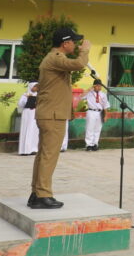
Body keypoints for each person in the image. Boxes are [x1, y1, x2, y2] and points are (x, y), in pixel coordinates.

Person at [29, 27, 90, 210]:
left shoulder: (54, 58)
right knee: (49, 156)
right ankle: (43, 194)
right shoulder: (56, 57)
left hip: (50, 114)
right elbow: (79, 64)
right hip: (52, 115)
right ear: (66, 43)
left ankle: (36, 193)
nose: (76, 44)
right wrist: (85, 50)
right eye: (74, 41)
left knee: (43, 155)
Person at [82, 79, 109, 151]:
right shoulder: (89, 93)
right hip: (91, 111)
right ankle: (88, 144)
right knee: (89, 128)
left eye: (100, 86)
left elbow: (105, 105)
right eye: (97, 86)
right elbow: (81, 96)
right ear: (94, 86)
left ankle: (95, 144)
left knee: (97, 129)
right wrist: (89, 88)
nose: (99, 87)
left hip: (99, 112)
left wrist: (106, 115)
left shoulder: (103, 94)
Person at [17, 82, 40, 156]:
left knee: (34, 130)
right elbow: (20, 104)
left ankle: (33, 149)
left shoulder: (39, 95)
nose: (36, 88)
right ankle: (24, 150)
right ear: (31, 87)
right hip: (27, 113)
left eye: (37, 87)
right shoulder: (25, 95)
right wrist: (26, 99)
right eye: (35, 86)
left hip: (35, 113)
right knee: (26, 129)